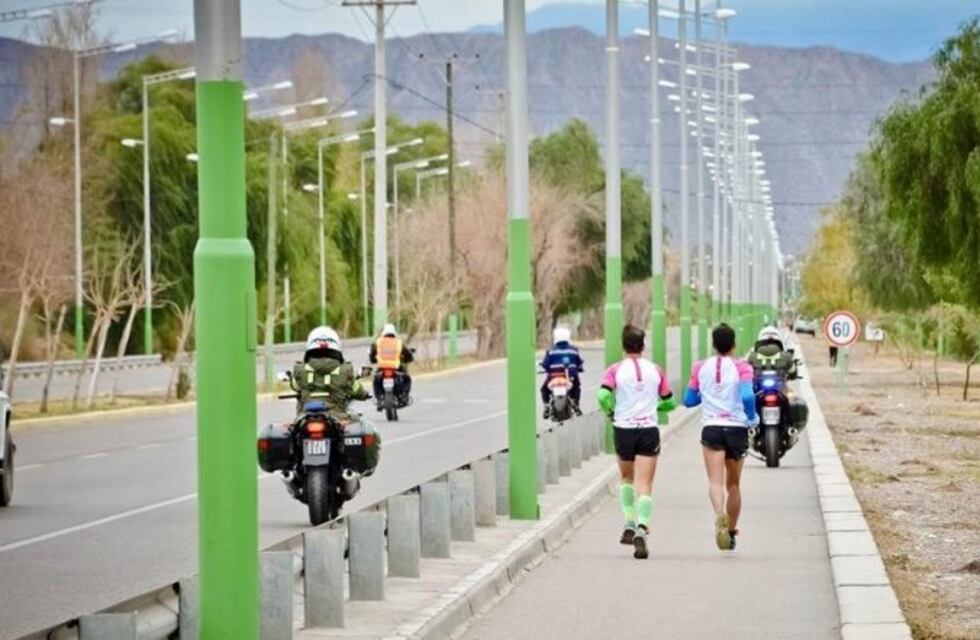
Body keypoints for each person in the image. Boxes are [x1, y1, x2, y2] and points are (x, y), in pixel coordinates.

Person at [596, 324, 676, 560]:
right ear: (642, 346)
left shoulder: (615, 370)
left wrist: (611, 410)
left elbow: (602, 395)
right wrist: (655, 406)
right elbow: (670, 401)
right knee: (645, 483)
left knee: (626, 478)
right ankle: (642, 526)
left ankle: (629, 523)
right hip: (648, 429)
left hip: (623, 428)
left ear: (623, 345)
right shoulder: (656, 370)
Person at [683, 323, 758, 551]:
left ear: (713, 344)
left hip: (712, 428)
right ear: (734, 344)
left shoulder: (700, 367)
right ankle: (732, 531)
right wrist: (752, 416)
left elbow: (688, 400)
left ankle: (719, 516)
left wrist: (707, 396)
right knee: (733, 484)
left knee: (714, 482)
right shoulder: (743, 367)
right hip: (736, 428)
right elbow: (746, 396)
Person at [292, 326, 370, 418]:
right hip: (336, 416)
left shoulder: (300, 369)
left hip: (306, 416)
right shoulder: (345, 370)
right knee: (358, 423)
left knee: (295, 428)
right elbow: (356, 389)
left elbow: (295, 386)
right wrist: (364, 394)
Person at [540, 326, 584, 419]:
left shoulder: (551, 350)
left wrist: (545, 368)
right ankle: (576, 404)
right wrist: (579, 368)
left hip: (553, 378)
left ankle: (546, 406)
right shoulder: (574, 350)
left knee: (544, 389)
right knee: (577, 387)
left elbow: (545, 365)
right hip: (570, 378)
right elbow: (579, 363)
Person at [369, 323, 414, 408]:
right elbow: (408, 355)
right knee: (407, 379)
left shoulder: (378, 342)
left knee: (376, 380)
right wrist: (408, 358)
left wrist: (373, 360)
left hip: (382, 368)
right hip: (395, 368)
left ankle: (379, 398)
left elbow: (372, 355)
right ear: (394, 333)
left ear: (383, 333)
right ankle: (404, 396)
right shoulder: (398, 343)